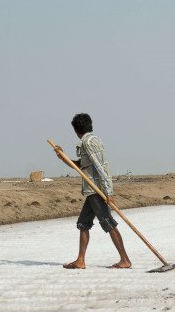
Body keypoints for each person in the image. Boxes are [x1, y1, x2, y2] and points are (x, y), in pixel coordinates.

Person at [57, 113, 132, 269]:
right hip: (92, 190)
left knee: (108, 223)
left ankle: (125, 259)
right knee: (83, 224)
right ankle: (80, 260)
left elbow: (101, 166)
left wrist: (108, 192)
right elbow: (80, 165)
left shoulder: (88, 143)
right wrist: (62, 157)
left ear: (76, 129)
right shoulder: (94, 140)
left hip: (96, 191)